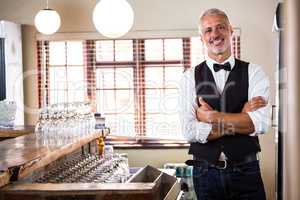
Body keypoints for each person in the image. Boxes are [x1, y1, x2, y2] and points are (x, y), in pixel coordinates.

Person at [179, 8, 270, 200]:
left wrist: (213, 118)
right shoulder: (189, 78)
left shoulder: (254, 72)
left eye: (221, 27)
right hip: (205, 173)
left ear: (230, 31)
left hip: (246, 170)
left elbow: (260, 124)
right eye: (208, 30)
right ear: (202, 37)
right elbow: (189, 130)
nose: (215, 34)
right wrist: (242, 119)